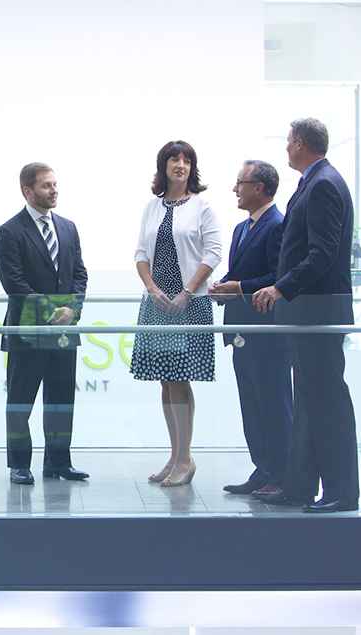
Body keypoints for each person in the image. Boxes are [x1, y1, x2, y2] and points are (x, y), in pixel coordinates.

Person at [251, 118, 360, 513]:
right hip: (308, 310)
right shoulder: (315, 181)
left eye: (286, 142)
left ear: (299, 144)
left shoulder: (325, 183)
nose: (285, 149)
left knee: (327, 401)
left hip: (318, 308)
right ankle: (299, 486)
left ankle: (342, 493)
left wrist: (281, 287)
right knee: (310, 401)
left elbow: (322, 252)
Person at [130, 140, 222, 487]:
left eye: (186, 160)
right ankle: (175, 454)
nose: (180, 165)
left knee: (181, 380)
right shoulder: (151, 208)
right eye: (174, 159)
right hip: (156, 304)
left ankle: (186, 458)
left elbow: (213, 253)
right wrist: (153, 288)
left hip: (189, 303)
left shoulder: (202, 207)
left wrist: (186, 292)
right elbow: (140, 252)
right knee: (166, 381)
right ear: (163, 166)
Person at [0, 163, 89, 485]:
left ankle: (59, 462)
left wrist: (72, 309)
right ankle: (19, 464)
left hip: (64, 332)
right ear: (28, 191)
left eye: (55, 184)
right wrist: (52, 310)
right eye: (47, 186)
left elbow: (80, 273)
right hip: (27, 332)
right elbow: (14, 283)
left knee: (61, 400)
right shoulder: (9, 231)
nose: (54, 190)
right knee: (20, 401)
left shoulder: (68, 227)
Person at [209, 160, 293, 497]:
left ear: (258, 187)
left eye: (240, 183)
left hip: (267, 334)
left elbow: (277, 279)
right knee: (253, 406)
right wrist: (224, 288)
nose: (235, 189)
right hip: (242, 332)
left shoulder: (277, 225)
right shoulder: (241, 228)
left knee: (274, 405)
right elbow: (240, 276)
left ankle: (282, 476)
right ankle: (263, 469)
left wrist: (238, 287)